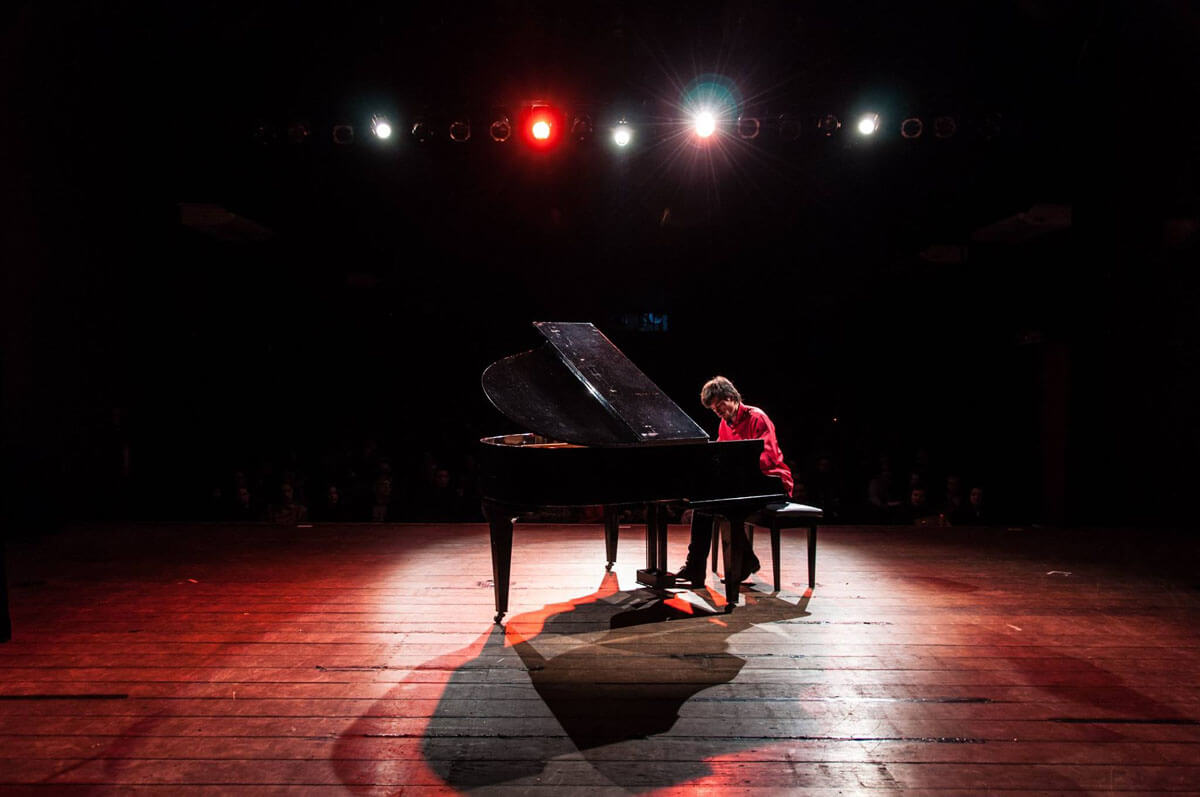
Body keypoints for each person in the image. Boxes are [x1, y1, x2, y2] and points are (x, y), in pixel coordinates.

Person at [672, 376, 793, 588]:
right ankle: (695, 568)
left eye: (719, 404)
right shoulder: (724, 425)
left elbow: (768, 458)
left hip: (772, 482)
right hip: (746, 484)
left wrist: (733, 470)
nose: (717, 410)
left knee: (727, 506)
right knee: (702, 505)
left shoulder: (757, 418)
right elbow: (720, 455)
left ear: (731, 397)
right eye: (713, 408)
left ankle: (743, 561)